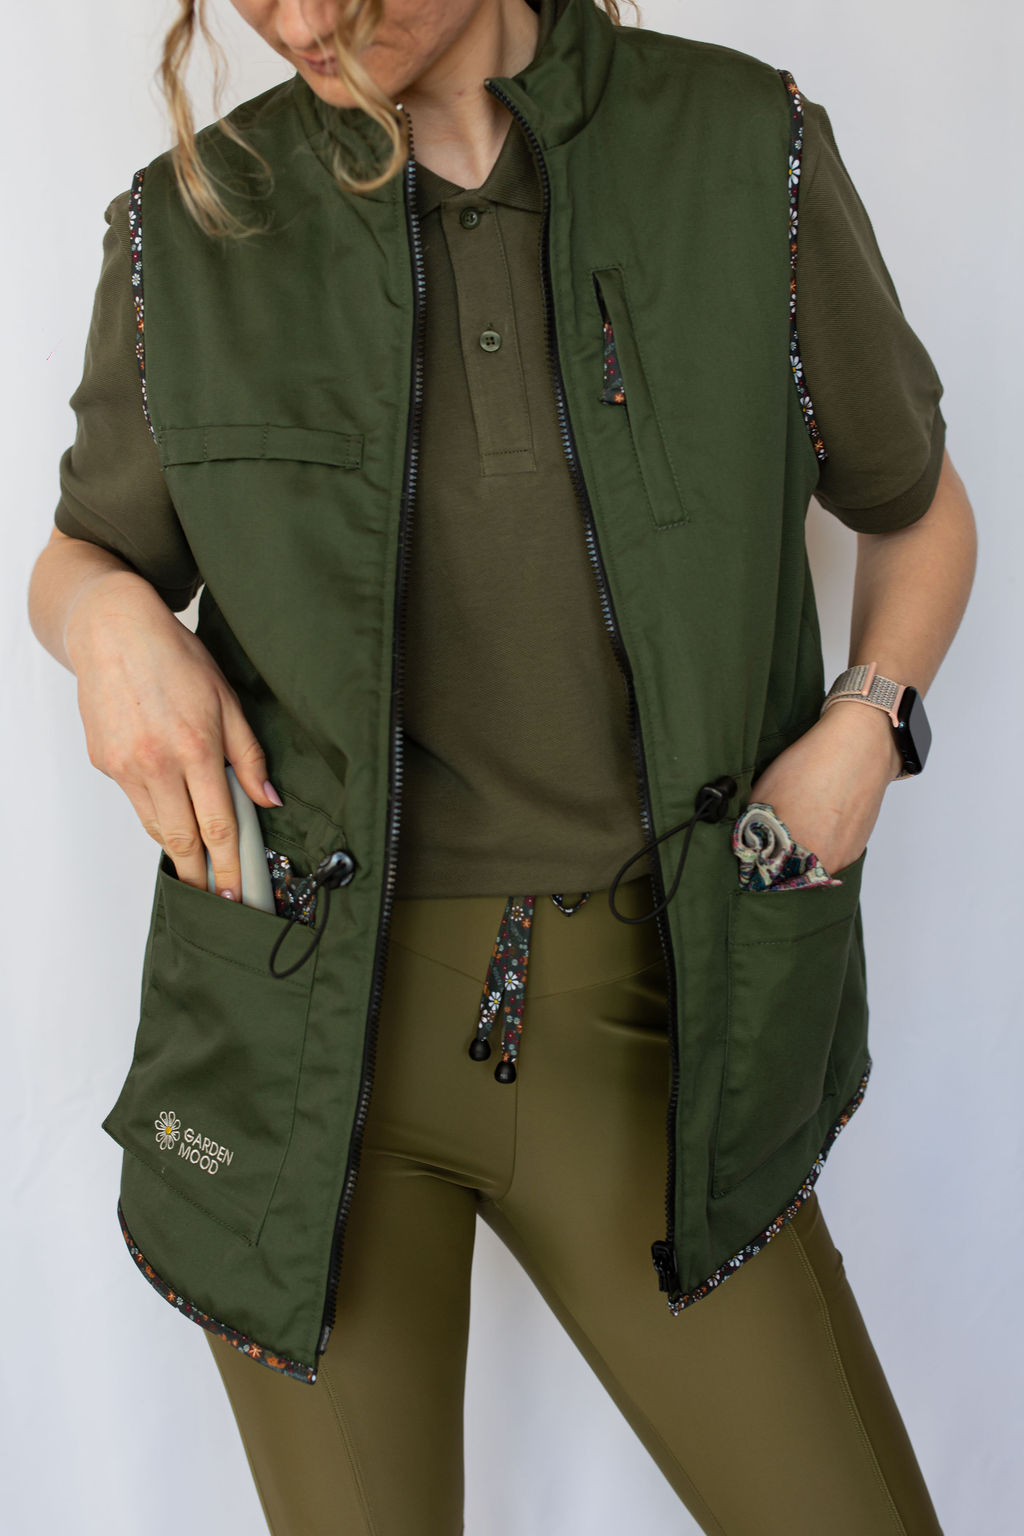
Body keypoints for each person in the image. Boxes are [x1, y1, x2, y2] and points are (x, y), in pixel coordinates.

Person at [28, 0, 976, 1531]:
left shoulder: (743, 152)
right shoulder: (189, 229)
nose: (297, 20)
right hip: (299, 1051)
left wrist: (868, 723)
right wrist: (105, 620)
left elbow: (917, 509)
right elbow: (80, 555)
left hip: (655, 1029)